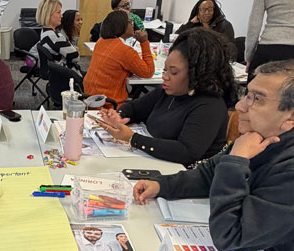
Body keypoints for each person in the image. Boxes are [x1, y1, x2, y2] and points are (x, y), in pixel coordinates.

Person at [133, 59, 294, 251]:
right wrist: (162, 185)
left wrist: (236, 161)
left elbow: (229, 235)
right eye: (247, 95)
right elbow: (209, 174)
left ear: (293, 116)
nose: (240, 106)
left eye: (256, 99)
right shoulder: (262, 136)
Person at [96, 28, 235, 165]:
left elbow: (186, 152)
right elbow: (135, 108)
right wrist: (118, 116)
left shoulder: (210, 106)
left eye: (173, 72)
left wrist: (133, 139)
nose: (165, 77)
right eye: (165, 70)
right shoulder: (169, 91)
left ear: (198, 73)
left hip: (187, 173)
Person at [83, 9, 154, 107]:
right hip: (109, 104)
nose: (133, 25)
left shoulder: (101, 41)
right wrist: (144, 42)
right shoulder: (125, 51)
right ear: (121, 26)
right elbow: (148, 72)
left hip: (90, 99)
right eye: (130, 22)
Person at [32, 0, 82, 74]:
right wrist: (75, 49)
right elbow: (75, 57)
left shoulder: (45, 31)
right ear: (48, 14)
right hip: (66, 73)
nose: (61, 16)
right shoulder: (55, 37)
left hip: (58, 69)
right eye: (58, 12)